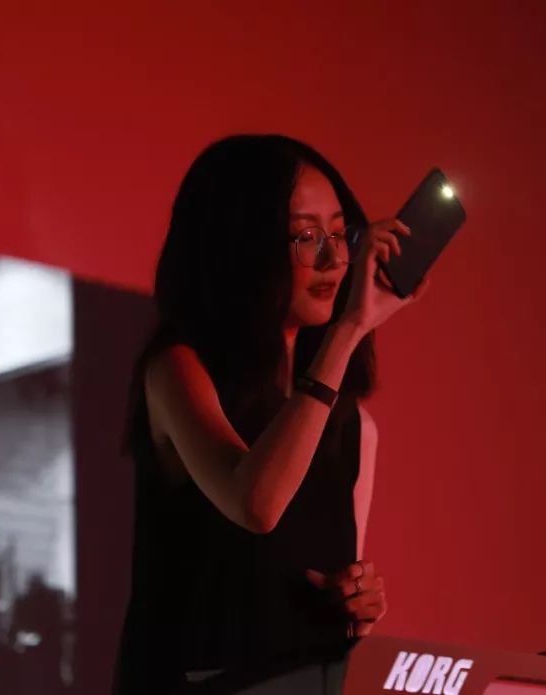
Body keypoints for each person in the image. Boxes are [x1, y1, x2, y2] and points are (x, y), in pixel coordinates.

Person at [114, 134, 427, 693]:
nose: (333, 259)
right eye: (306, 236)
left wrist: (356, 601)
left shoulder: (354, 428)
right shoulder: (178, 370)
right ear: (241, 247)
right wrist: (350, 329)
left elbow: (324, 597)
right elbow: (256, 504)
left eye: (340, 234)